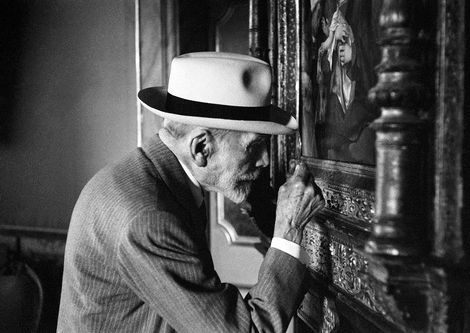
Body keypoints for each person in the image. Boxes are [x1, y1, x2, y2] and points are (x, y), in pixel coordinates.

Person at [57, 52, 325, 333]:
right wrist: (289, 231)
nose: (265, 161)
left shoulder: (149, 179)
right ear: (201, 148)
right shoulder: (151, 219)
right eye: (253, 146)